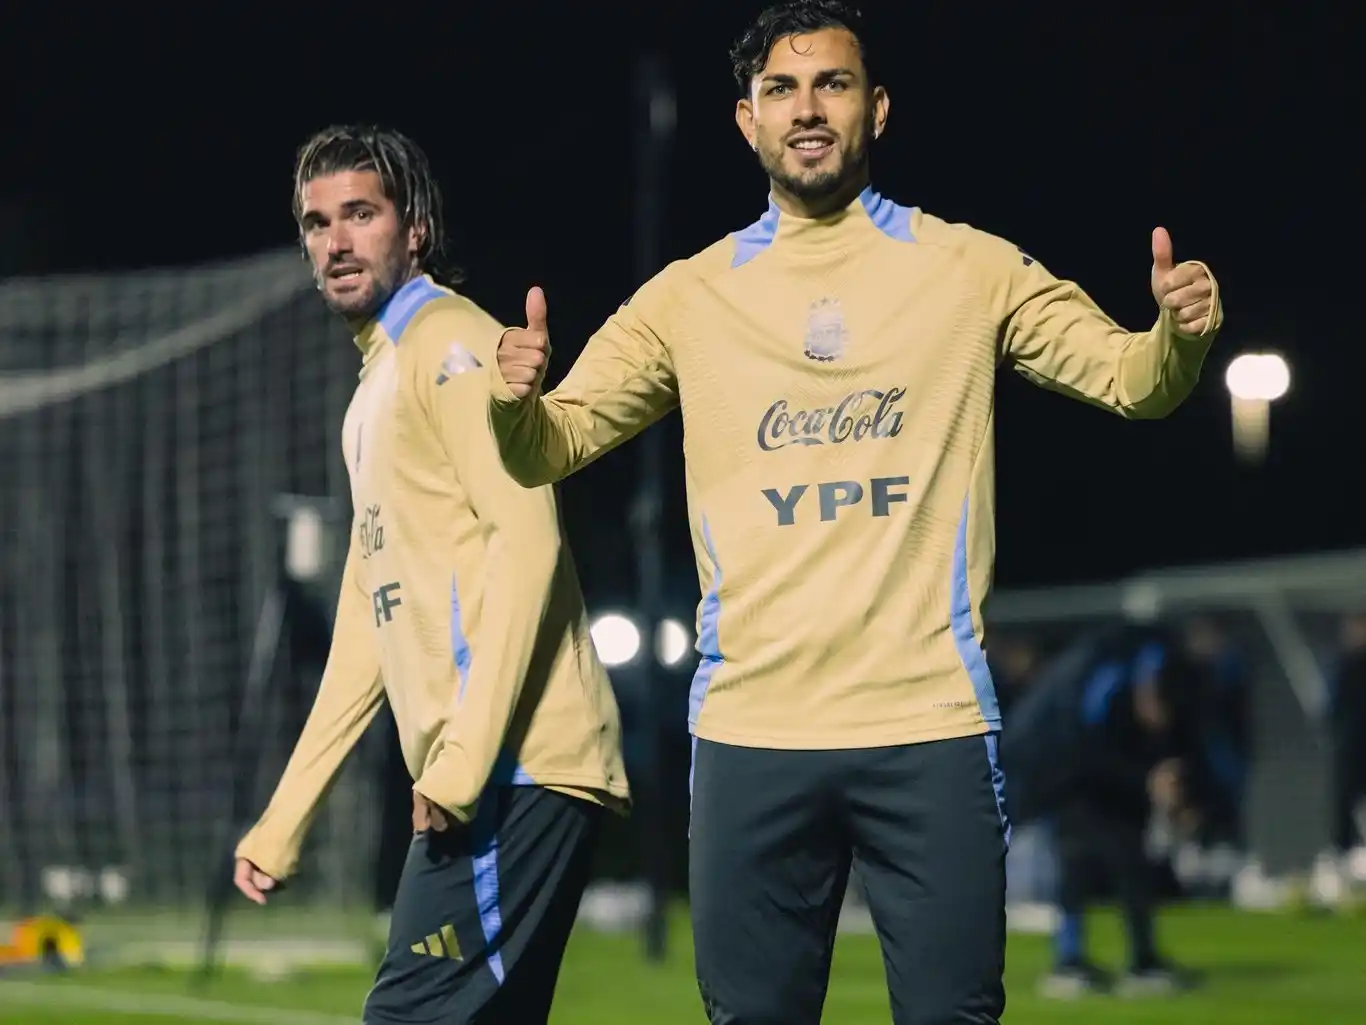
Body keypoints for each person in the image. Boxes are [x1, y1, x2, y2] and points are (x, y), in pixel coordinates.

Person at [489, 1, 1224, 1020]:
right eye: (780, 89)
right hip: (751, 730)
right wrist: (511, 400)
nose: (806, 109)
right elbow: (552, 444)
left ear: (875, 109)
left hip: (928, 723)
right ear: (744, 120)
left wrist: (1176, 337)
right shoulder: (689, 295)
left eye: (831, 84)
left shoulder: (969, 266)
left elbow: (1130, 379)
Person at [231, 125, 629, 1025]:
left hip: (514, 771)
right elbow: (368, 625)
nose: (335, 241)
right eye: (317, 222)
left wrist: (459, 764)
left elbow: (531, 546)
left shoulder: (453, 345)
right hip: (486, 777)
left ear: (413, 229)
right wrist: (287, 813)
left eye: (360, 214)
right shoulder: (375, 389)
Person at [1007, 627, 1200, 997]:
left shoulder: (1135, 685)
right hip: (1063, 777)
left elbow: (1155, 746)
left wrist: (1174, 794)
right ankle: (1079, 963)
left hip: (1086, 779)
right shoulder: (1104, 686)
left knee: (1121, 861)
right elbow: (1084, 752)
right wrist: (1145, 781)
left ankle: (1113, 960)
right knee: (1085, 861)